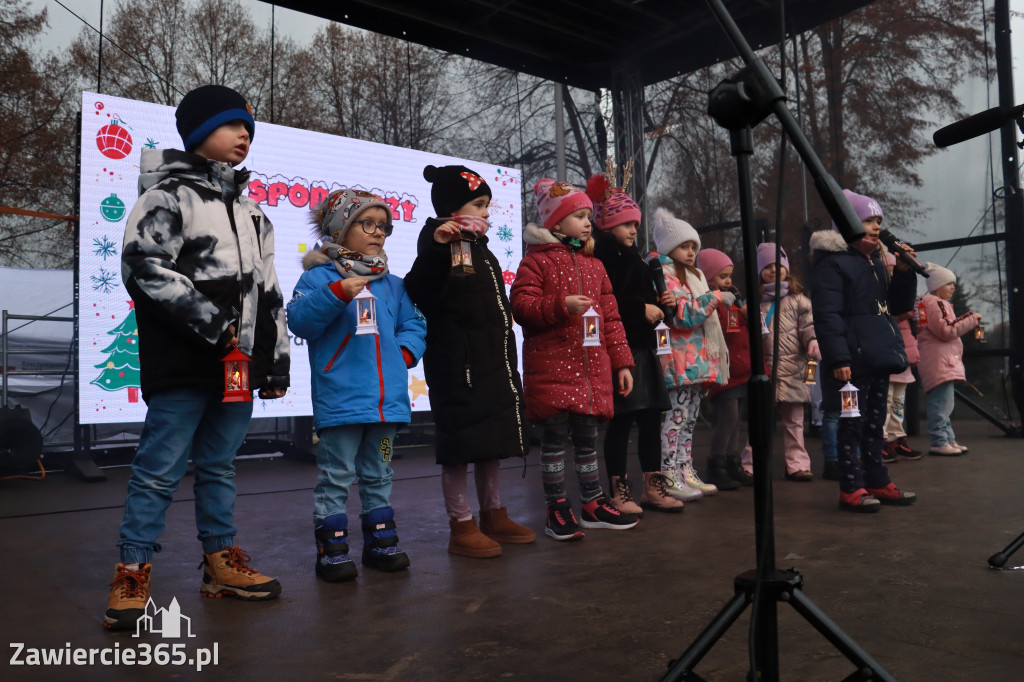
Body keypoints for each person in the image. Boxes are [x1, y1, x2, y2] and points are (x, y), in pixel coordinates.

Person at [106, 85, 290, 630]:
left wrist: (274, 363)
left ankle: (220, 564)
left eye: (249, 128)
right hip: (184, 362)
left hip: (237, 369)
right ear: (197, 133)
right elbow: (142, 266)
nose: (245, 135)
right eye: (233, 125)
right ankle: (133, 569)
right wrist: (216, 325)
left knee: (219, 466)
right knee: (158, 471)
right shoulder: (167, 197)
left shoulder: (255, 215)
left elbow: (270, 292)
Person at [287, 189, 427, 581]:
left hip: (386, 409)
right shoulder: (318, 277)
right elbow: (299, 320)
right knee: (336, 475)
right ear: (341, 228)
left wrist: (402, 356)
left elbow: (415, 324)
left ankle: (381, 543)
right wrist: (335, 294)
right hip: (342, 406)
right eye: (367, 223)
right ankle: (331, 551)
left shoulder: (393, 285)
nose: (378, 232)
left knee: (380, 471)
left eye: (383, 226)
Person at [404, 164, 536, 559]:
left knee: (490, 441)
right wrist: (440, 249)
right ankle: (461, 524)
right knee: (460, 445)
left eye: (488, 204)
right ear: (451, 206)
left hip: (491, 362)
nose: (487, 212)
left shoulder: (479, 245)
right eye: (479, 204)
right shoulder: (438, 242)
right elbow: (419, 290)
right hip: (457, 365)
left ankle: (494, 513)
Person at [510, 179, 638, 541]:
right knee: (553, 443)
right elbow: (521, 306)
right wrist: (559, 306)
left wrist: (622, 363)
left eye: (588, 217)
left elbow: (611, 319)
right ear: (555, 223)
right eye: (579, 216)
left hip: (590, 371)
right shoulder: (535, 262)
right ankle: (556, 508)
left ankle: (593, 503)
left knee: (587, 441)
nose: (587, 223)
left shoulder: (595, 266)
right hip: (552, 369)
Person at [810, 189, 917, 512]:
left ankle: (876, 479)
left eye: (878, 221)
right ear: (847, 223)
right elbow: (827, 315)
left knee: (875, 424)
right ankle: (851, 487)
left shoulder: (873, 262)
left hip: (876, 357)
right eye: (868, 220)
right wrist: (839, 358)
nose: (875, 226)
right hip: (852, 362)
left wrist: (903, 272)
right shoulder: (833, 264)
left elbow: (895, 307)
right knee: (851, 425)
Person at [587, 172, 682, 513]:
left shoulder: (639, 259)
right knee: (623, 421)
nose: (632, 231)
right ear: (608, 225)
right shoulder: (606, 257)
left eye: (634, 225)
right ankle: (619, 488)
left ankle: (653, 486)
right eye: (626, 224)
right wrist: (642, 307)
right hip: (620, 349)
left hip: (645, 346)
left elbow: (646, 305)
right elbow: (607, 302)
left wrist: (664, 306)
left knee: (649, 420)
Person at [651, 208, 729, 501]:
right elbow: (682, 317)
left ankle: (685, 471)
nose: (691, 252)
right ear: (669, 247)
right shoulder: (666, 277)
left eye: (694, 246)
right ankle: (668, 473)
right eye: (684, 246)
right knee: (676, 419)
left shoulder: (694, 278)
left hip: (697, 362)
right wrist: (715, 298)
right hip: (680, 360)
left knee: (690, 419)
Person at [757, 243, 819, 481]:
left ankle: (797, 464)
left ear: (786, 268)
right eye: (767, 266)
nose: (773, 270)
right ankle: (752, 464)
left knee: (795, 421)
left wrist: (812, 340)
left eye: (778, 265)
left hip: (794, 368)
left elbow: (808, 325)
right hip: (766, 369)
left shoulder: (799, 300)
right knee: (761, 421)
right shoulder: (756, 301)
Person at [696, 248, 752, 489]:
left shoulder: (733, 300)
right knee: (727, 417)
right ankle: (716, 464)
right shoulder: (713, 301)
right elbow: (717, 330)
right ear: (709, 279)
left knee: (735, 419)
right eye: (722, 276)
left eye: (730, 275)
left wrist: (744, 314)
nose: (728, 281)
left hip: (739, 369)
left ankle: (732, 461)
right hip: (724, 370)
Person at [916, 263, 981, 456]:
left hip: (939, 361)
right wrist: (971, 318)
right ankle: (939, 441)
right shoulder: (936, 304)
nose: (953, 287)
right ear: (936, 285)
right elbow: (946, 330)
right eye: (948, 283)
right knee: (941, 405)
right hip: (940, 362)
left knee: (945, 404)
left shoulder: (928, 304)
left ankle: (948, 440)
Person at [881, 251, 923, 463]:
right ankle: (881, 440)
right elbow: (889, 314)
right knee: (886, 399)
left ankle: (897, 437)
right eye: (888, 268)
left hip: (904, 354)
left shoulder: (906, 292)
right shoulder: (881, 292)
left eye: (894, 268)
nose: (891, 272)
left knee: (899, 400)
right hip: (888, 352)